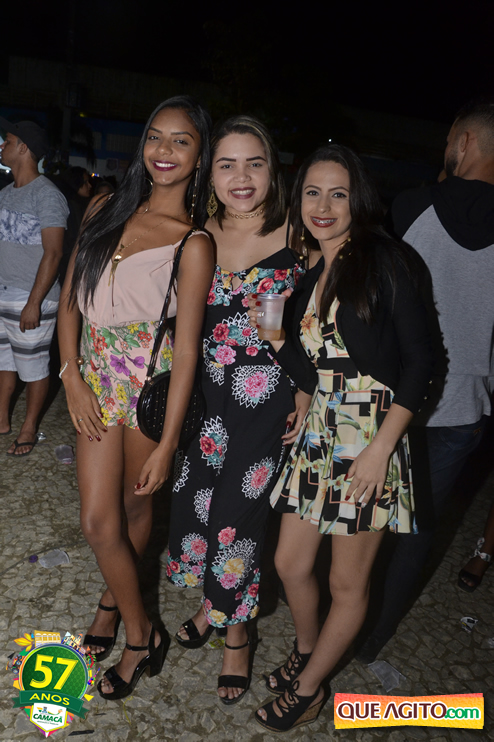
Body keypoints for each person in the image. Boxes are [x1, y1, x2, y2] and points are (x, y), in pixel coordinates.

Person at [249, 144, 432, 732]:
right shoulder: (311, 275)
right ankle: (308, 650)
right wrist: (278, 340)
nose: (323, 206)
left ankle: (309, 689)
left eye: (338, 194)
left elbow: (423, 362)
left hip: (370, 435)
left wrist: (381, 450)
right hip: (320, 432)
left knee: (345, 581)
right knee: (289, 562)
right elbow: (313, 371)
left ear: (359, 200)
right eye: (312, 192)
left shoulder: (384, 260)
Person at [57, 95, 214, 700]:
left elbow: (187, 352)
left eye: (181, 140)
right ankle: (143, 631)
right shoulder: (105, 207)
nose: (164, 150)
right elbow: (70, 300)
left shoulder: (192, 243)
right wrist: (71, 377)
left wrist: (169, 443)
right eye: (156, 136)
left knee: (134, 509)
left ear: (198, 156)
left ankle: (111, 604)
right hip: (94, 383)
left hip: (145, 391)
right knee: (98, 522)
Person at [167, 115, 307, 704]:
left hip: (267, 402)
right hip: (207, 401)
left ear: (273, 169)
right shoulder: (197, 234)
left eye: (254, 163)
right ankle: (213, 603)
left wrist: (306, 388)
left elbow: (328, 320)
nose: (241, 177)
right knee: (198, 508)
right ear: (210, 173)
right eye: (227, 164)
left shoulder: (302, 231)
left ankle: (237, 635)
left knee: (236, 520)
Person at [357, 98, 494, 662]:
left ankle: (344, 619)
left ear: (465, 141)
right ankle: (373, 640)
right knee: (417, 530)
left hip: (396, 399)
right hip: (464, 406)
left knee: (364, 515)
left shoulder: (414, 206)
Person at [0, 118, 68, 455]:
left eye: (8, 141)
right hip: (3, 291)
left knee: (34, 367)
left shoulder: (47, 195)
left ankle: (29, 428)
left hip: (31, 296)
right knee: (4, 362)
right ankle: (2, 419)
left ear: (23, 148)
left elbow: (54, 253)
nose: (2, 146)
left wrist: (34, 302)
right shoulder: (4, 193)